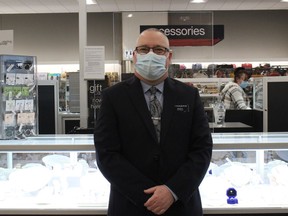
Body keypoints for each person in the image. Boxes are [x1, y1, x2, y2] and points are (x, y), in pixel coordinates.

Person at [94, 28, 213, 216]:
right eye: (143, 49)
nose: (150, 54)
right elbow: (106, 153)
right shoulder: (113, 97)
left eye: (158, 49)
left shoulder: (189, 95)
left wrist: (171, 191)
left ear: (169, 56)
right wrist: (149, 196)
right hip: (130, 204)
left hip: (180, 204)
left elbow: (202, 149)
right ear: (134, 55)